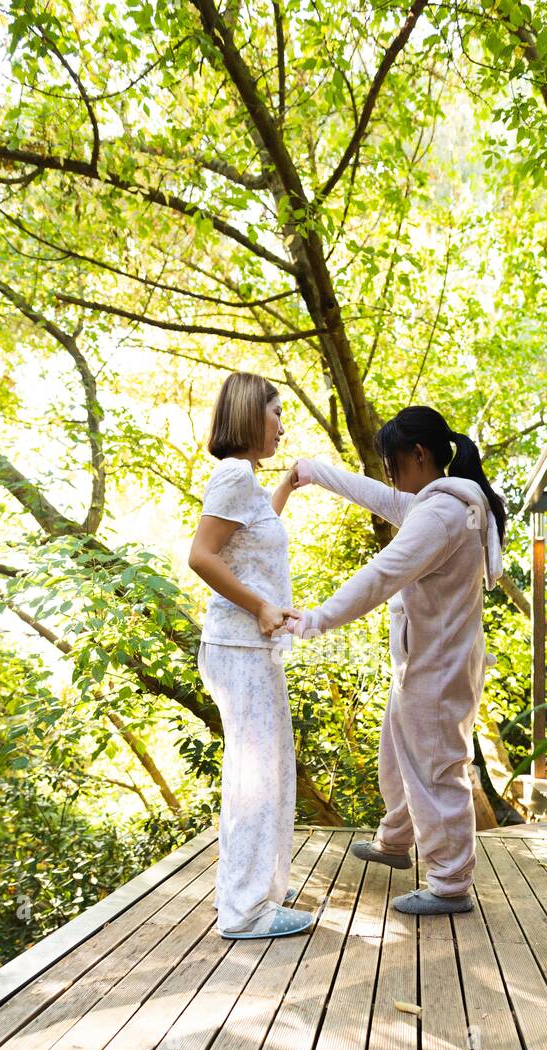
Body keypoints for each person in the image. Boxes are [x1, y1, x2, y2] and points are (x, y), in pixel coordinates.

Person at [287, 405, 505, 916]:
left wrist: (316, 618)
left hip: (436, 664)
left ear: (419, 455)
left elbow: (383, 574)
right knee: (399, 750)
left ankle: (450, 883)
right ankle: (395, 840)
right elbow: (383, 498)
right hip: (433, 659)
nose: (389, 478)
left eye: (392, 465)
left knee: (437, 768)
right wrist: (316, 472)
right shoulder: (443, 504)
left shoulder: (441, 515)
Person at [188, 372, 311, 939]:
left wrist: (285, 487)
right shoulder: (235, 473)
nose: (282, 425)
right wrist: (263, 606)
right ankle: (245, 910)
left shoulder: (247, 483)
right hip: (239, 647)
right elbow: (202, 556)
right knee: (256, 780)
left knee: (264, 774)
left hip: (246, 651)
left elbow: (253, 533)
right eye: (276, 413)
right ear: (248, 416)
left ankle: (256, 897)